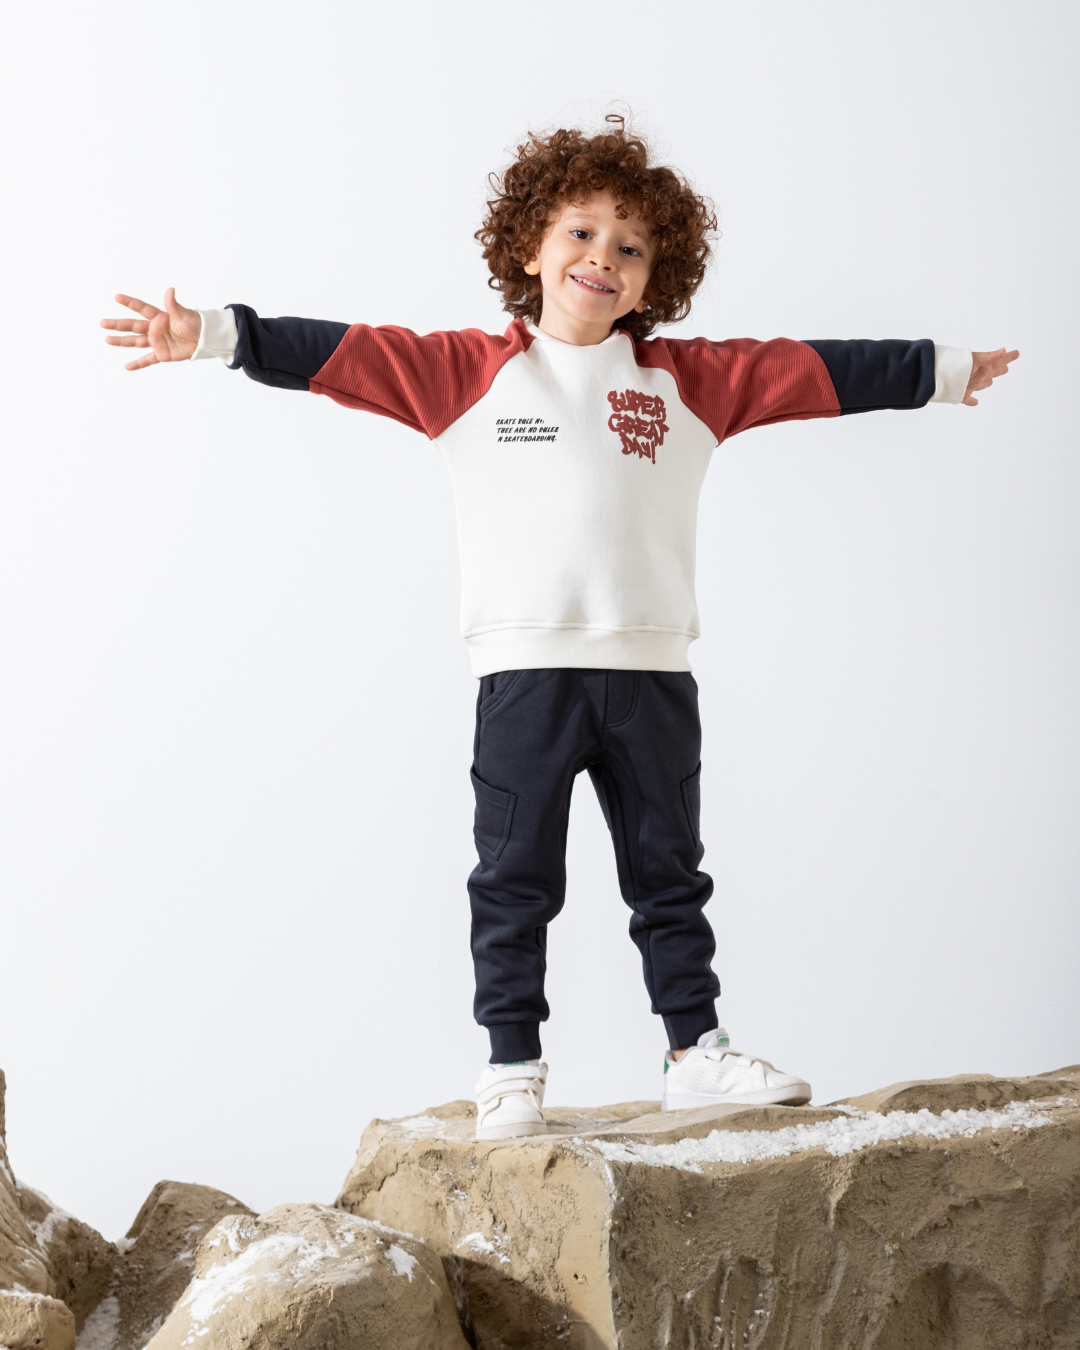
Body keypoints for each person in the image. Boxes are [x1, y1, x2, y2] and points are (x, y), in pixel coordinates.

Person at [101, 119, 1017, 1142]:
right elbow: (343, 354)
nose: (602, 258)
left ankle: (696, 1055)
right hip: (525, 677)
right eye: (580, 233)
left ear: (654, 278)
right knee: (514, 880)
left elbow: (813, 370)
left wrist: (942, 370)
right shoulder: (467, 373)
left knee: (670, 876)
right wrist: (215, 334)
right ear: (530, 247)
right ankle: (511, 1069)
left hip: (652, 673)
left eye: (631, 247)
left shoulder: (688, 382)